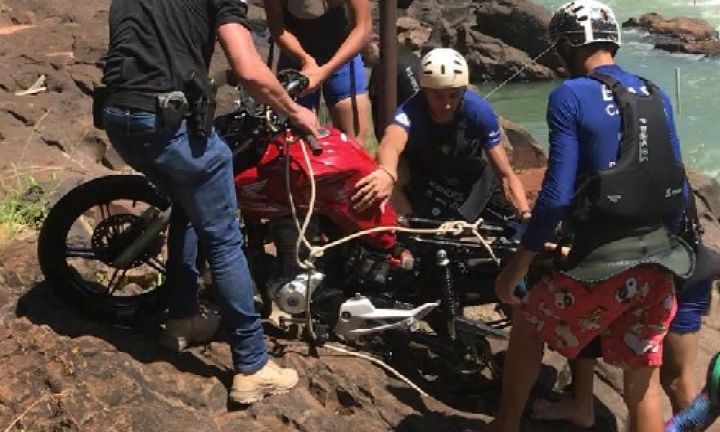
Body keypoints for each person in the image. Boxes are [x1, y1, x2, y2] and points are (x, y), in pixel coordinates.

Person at [487, 1, 694, 432]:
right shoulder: (654, 92)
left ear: (567, 45)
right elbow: (679, 187)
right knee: (642, 385)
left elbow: (557, 194)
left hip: (602, 264)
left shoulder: (569, 95)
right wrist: (662, 250)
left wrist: (518, 266)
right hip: (660, 263)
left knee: (528, 321)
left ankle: (504, 426)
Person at [99, 0, 318, 405]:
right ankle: (253, 365)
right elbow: (251, 69)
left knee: (187, 202)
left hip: (117, 116)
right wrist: (294, 111)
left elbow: (151, 44)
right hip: (165, 123)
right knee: (223, 238)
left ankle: (182, 318)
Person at [351, 47, 530, 224]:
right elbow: (391, 142)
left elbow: (505, 174)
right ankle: (409, 227)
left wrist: (525, 214)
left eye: (453, 95)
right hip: (431, 168)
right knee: (390, 170)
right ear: (424, 91)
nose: (446, 104)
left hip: (471, 171)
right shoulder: (411, 109)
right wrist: (387, 172)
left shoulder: (478, 110)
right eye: (437, 96)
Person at [264, 0, 372, 145]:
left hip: (342, 53)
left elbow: (363, 28)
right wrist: (305, 59)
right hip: (296, 57)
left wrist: (325, 71)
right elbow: (277, 28)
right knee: (297, 137)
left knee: (354, 139)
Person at [361, 32, 421, 137]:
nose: (361, 57)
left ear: (375, 41)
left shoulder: (402, 63)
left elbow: (417, 101)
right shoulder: (382, 62)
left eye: (363, 51)